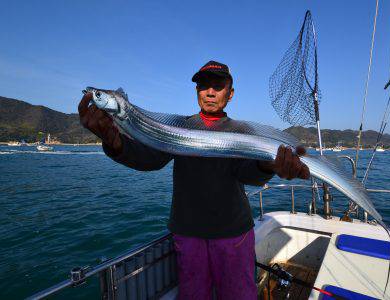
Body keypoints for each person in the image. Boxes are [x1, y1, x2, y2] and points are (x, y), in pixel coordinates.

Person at [78, 60, 310, 299]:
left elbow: (247, 173)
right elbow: (150, 159)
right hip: (188, 234)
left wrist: (269, 164)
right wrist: (113, 142)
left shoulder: (242, 132)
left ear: (230, 95)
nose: (209, 91)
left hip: (234, 234)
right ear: (197, 92)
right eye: (203, 86)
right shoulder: (178, 126)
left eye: (218, 86)